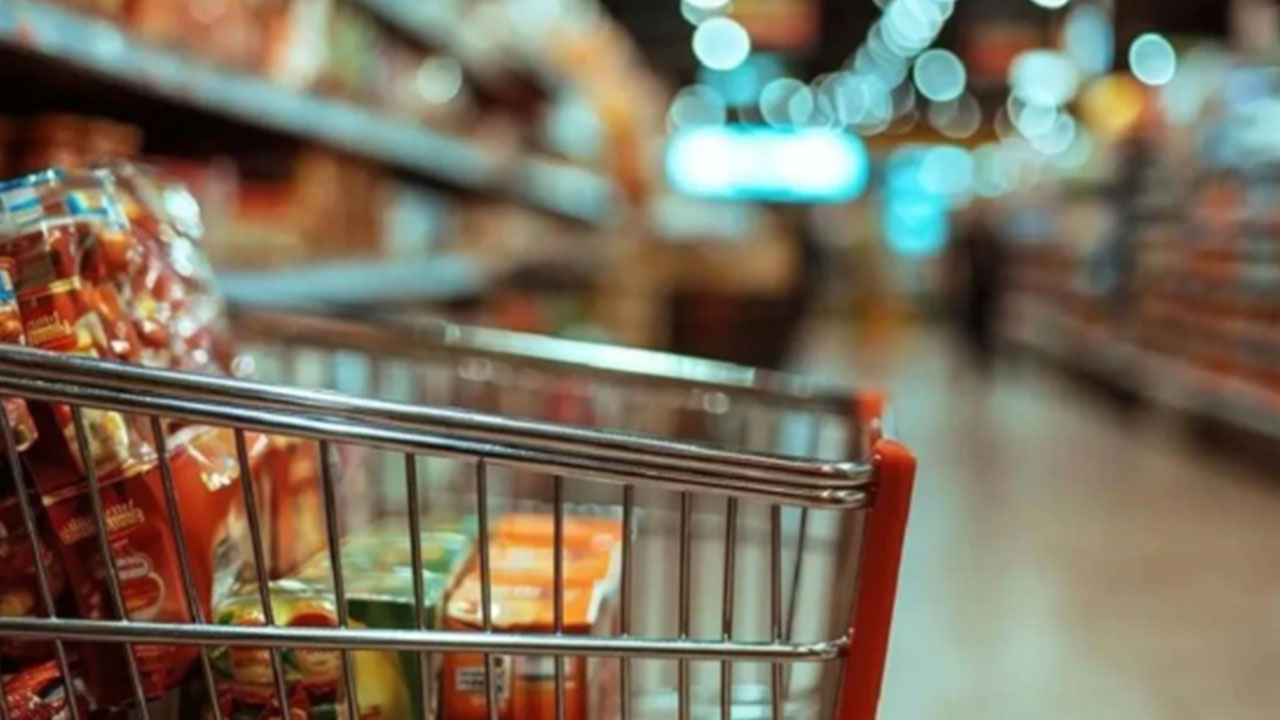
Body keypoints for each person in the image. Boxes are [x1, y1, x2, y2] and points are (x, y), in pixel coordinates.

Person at [947, 200, 1005, 371]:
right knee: (968, 324)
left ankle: (984, 356)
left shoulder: (994, 239)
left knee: (986, 324)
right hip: (969, 290)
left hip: (987, 290)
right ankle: (969, 355)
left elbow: (1000, 264)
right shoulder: (966, 239)